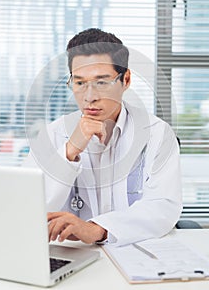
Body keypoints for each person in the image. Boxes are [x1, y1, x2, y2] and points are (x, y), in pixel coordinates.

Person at [24, 28, 182, 247]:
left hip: (137, 250)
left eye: (101, 82)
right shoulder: (52, 134)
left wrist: (97, 229)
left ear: (125, 80)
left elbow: (163, 206)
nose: (89, 97)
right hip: (71, 253)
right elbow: (27, 207)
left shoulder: (156, 133)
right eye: (79, 83)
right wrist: (70, 151)